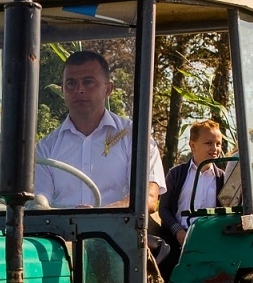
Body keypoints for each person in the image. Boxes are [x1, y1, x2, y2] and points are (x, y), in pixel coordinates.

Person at [33, 50, 165, 210]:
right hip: (61, 234)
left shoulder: (135, 138)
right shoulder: (46, 148)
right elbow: (39, 204)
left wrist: (97, 215)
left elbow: (148, 199)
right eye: (71, 83)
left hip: (120, 233)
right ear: (63, 90)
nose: (79, 89)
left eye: (88, 82)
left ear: (108, 89)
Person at [163, 119, 227, 245]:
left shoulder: (222, 178)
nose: (215, 148)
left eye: (218, 144)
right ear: (192, 145)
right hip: (178, 241)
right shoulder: (176, 174)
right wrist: (178, 231)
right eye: (208, 143)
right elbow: (164, 209)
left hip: (211, 240)